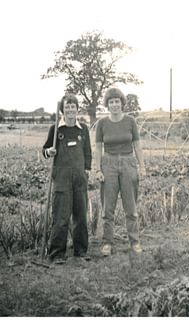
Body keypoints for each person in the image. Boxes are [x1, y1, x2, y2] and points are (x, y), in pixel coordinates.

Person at [95, 87, 146, 256]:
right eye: (111, 102)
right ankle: (107, 243)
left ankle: (134, 241)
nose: (115, 105)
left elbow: (137, 145)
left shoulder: (130, 121)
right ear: (107, 105)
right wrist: (98, 169)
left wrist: (142, 166)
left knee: (130, 207)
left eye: (117, 101)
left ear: (122, 103)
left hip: (128, 162)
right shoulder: (102, 123)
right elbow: (98, 148)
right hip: (108, 163)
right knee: (108, 208)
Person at [42, 94, 92, 264]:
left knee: (80, 215)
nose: (70, 109)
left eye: (73, 106)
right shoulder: (56, 129)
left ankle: (81, 251)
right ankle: (57, 254)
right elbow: (44, 150)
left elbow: (87, 152)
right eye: (67, 106)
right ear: (63, 109)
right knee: (61, 216)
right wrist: (49, 152)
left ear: (77, 109)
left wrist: (86, 172)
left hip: (79, 177)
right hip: (61, 177)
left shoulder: (83, 129)